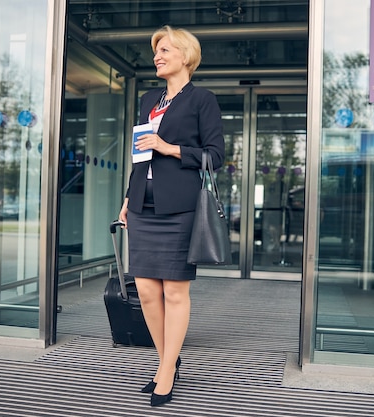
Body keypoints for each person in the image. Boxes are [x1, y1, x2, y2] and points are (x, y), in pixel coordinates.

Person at [118, 25, 225, 407]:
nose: (157, 57)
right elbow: (139, 155)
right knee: (146, 290)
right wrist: (129, 197)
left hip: (180, 207)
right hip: (143, 205)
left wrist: (170, 147)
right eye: (156, 52)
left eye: (164, 50)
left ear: (185, 55)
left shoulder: (202, 100)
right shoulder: (149, 98)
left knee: (175, 291)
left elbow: (216, 156)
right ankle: (169, 360)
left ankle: (165, 371)